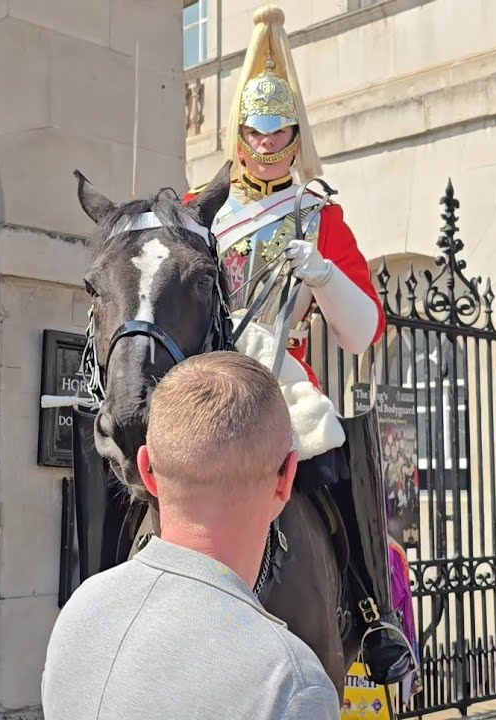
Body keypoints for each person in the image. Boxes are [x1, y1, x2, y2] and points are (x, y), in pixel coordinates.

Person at [181, 4, 415, 687]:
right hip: (207, 373)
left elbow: (364, 329)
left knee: (332, 455)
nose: (271, 143)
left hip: (284, 379)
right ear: (240, 134)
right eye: (259, 131)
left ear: (295, 133)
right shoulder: (204, 206)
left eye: (283, 131)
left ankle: (373, 615)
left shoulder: (318, 214)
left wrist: (325, 272)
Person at [42, 352, 340, 719]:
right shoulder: (291, 684)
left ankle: (376, 616)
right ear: (286, 479)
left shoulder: (78, 612)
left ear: (147, 471)